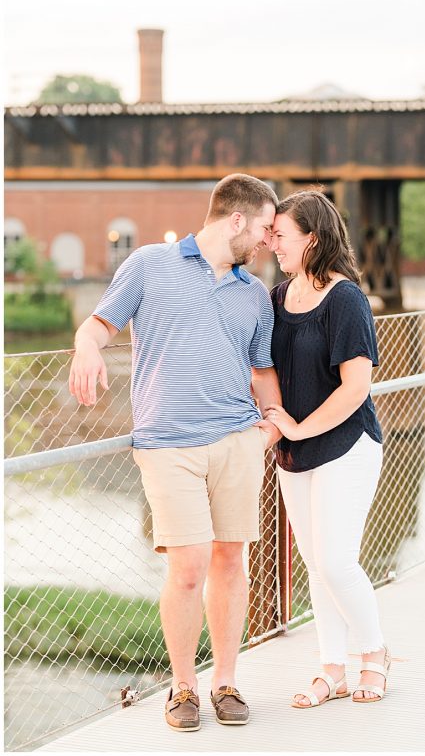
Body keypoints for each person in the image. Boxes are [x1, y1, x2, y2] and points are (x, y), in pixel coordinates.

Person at [68, 173, 283, 731]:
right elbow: (96, 327)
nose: (266, 239)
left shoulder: (254, 293)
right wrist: (86, 351)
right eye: (263, 227)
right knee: (187, 568)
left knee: (230, 561)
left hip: (237, 441)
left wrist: (273, 424)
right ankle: (182, 685)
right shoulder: (148, 263)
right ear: (236, 220)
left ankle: (226, 682)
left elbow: (262, 370)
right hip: (168, 445)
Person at [261, 190, 390, 707]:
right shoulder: (277, 297)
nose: (272, 244)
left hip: (347, 444)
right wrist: (276, 423)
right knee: (316, 564)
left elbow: (355, 387)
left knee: (337, 561)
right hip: (295, 453)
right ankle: (332, 670)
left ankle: (374, 655)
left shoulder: (346, 300)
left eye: (281, 235)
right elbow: (264, 369)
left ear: (312, 240)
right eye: (270, 235)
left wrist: (296, 428)